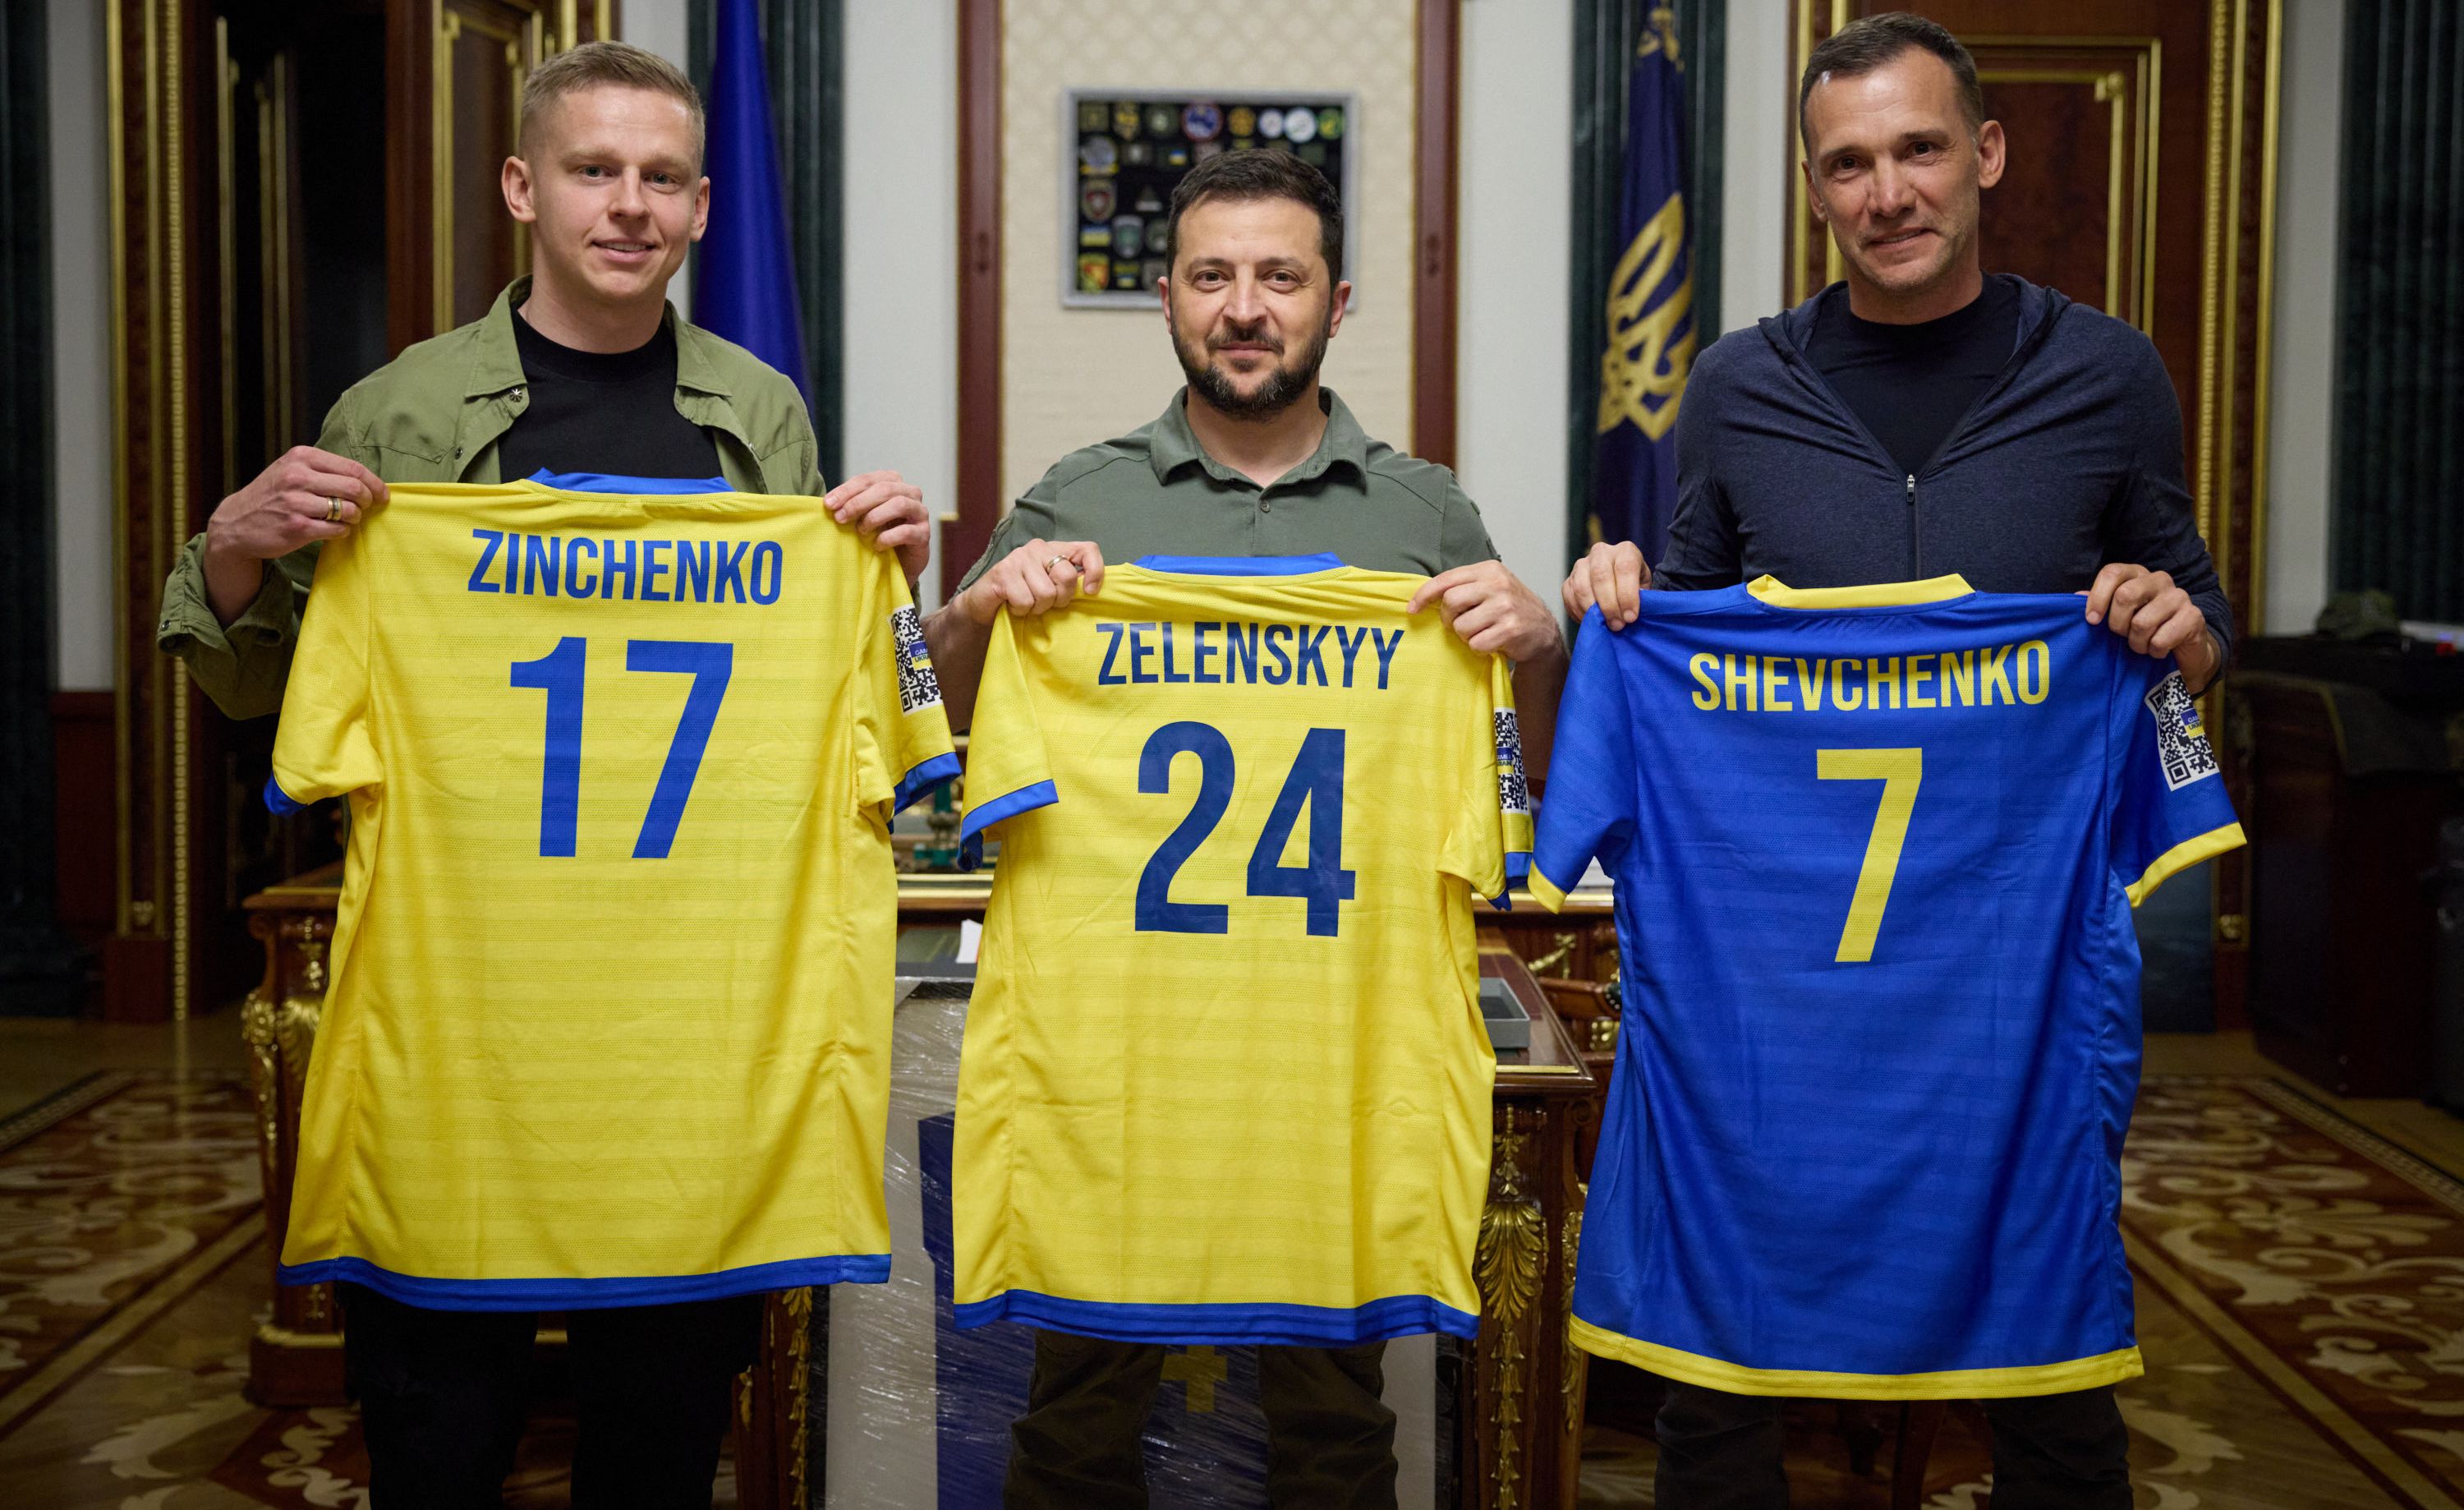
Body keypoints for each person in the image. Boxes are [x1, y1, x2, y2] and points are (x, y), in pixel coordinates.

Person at [154, 42, 928, 1509]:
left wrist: (892, 579)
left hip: (684, 1033)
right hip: (462, 1022)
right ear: (522, 187)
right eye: (593, 170)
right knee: (438, 1437)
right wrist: (236, 544)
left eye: (661, 177)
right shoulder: (398, 411)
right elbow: (265, 691)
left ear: (701, 208)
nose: (629, 204)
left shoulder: (760, 414)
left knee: (660, 1442)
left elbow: (828, 686)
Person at [1562, 14, 2227, 1508]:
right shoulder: (1737, 384)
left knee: (2051, 1361)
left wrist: (2182, 633)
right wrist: (1623, 599)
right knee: (1720, 1367)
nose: (1889, 192)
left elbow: (2200, 634)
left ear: (1985, 154)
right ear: (1815, 188)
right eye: (1850, 163)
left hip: (2018, 973)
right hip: (1781, 980)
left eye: (1919, 149)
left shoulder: (2109, 373)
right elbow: (1687, 614)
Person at [921, 148, 1565, 1510]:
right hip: (1114, 1051)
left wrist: (1542, 643)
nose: (1246, 306)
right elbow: (928, 719)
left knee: (1335, 1427)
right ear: (1166, 298)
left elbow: (1520, 775)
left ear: (1338, 301)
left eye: (1282, 276)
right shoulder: (1076, 498)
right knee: (1075, 1417)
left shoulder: (1424, 513)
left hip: (1332, 1053)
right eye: (1213, 276)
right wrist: (975, 610)